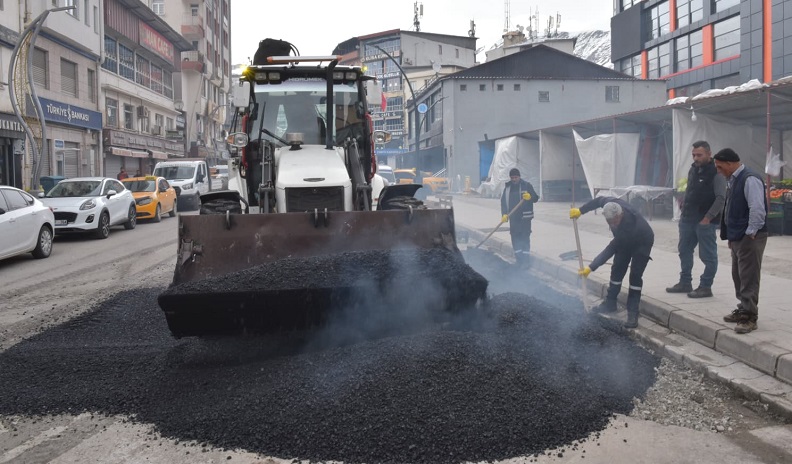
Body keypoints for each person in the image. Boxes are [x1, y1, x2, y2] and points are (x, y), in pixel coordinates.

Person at [571, 197, 654, 329]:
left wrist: (591, 268)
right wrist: (581, 211)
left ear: (620, 215)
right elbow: (598, 201)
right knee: (617, 269)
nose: (613, 224)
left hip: (642, 241)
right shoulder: (610, 204)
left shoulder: (628, 225)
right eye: (609, 222)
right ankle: (610, 303)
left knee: (635, 275)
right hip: (624, 241)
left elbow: (611, 249)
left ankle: (632, 311)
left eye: (615, 221)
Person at [714, 148, 768, 334]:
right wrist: (730, 235)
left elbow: (757, 208)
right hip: (738, 236)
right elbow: (731, 208)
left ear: (730, 163)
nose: (719, 170)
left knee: (749, 277)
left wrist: (751, 232)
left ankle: (750, 317)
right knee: (738, 274)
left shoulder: (749, 178)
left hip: (749, 237)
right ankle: (743, 308)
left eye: (720, 167)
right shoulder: (733, 179)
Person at [666, 141, 726, 298]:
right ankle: (685, 282)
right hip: (687, 219)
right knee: (684, 251)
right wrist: (683, 203)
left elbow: (721, 198)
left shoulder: (717, 172)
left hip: (704, 222)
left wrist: (708, 218)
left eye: (699, 155)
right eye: (693, 155)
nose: (696, 158)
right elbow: (691, 190)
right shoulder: (693, 170)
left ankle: (706, 286)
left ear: (709, 154)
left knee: (708, 256)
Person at [500, 168, 539, 267]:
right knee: (515, 238)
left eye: (515, 177)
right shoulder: (508, 188)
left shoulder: (526, 185)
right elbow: (503, 202)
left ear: (519, 176)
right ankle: (519, 260)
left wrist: (530, 196)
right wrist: (504, 214)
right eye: (512, 177)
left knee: (525, 238)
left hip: (525, 218)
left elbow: (536, 198)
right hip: (513, 218)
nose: (514, 179)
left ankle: (526, 261)